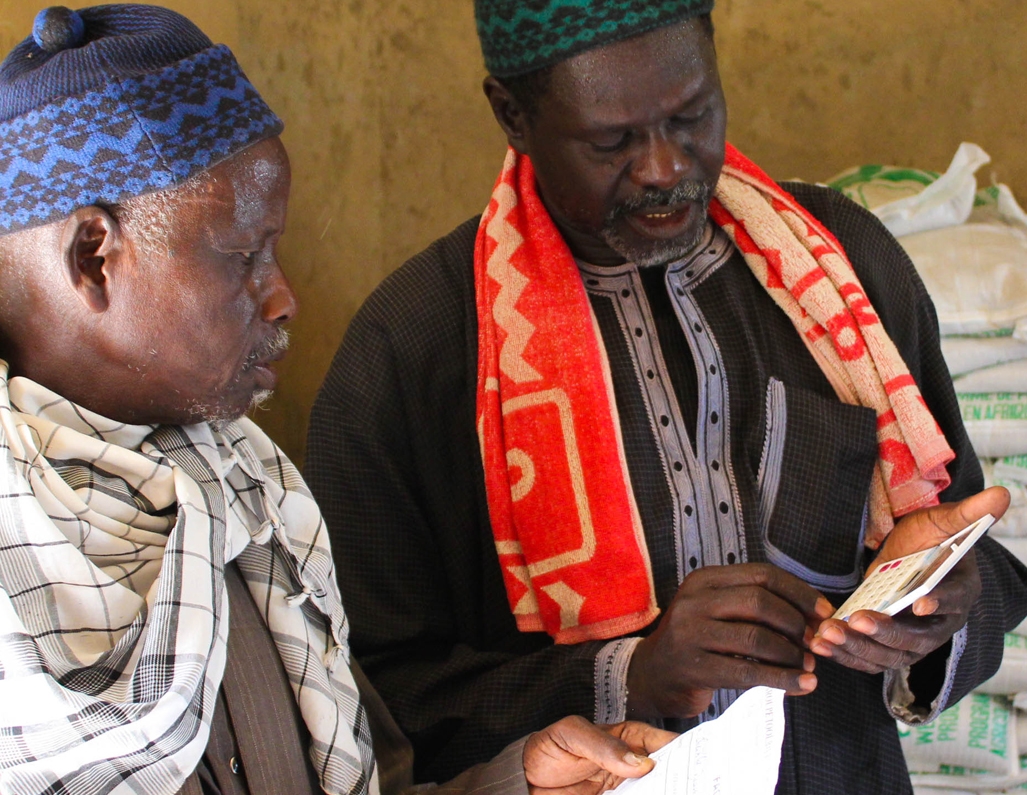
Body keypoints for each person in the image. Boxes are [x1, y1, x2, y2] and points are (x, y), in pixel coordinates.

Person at [306, 1, 1027, 792]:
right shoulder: (414, 347)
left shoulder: (839, 270)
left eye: (692, 116)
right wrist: (632, 674)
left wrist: (939, 606)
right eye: (612, 141)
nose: (664, 167)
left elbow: (973, 556)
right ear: (512, 115)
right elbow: (371, 700)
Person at [0, 5, 673, 794]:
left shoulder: (246, 490)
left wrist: (513, 784)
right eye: (242, 255)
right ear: (93, 255)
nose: (282, 297)